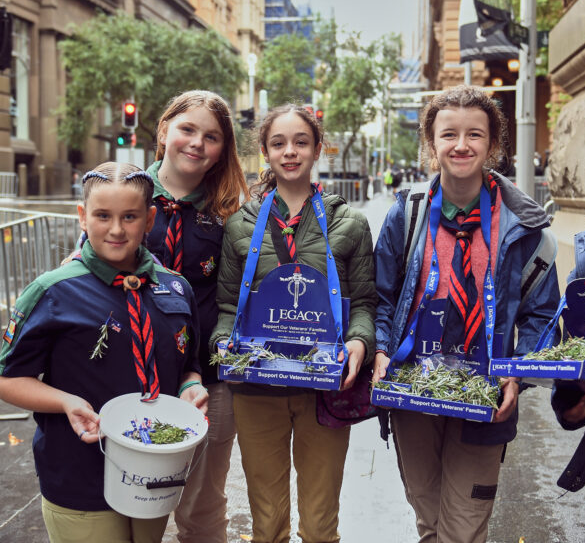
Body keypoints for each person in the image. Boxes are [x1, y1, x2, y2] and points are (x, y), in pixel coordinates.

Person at [373, 85, 561, 543]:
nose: (461, 145)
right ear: (431, 144)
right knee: (429, 521)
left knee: (463, 527)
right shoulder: (408, 214)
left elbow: (542, 317)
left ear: (492, 144)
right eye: (448, 134)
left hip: (485, 397)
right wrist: (380, 349)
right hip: (415, 389)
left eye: (474, 134)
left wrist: (515, 374)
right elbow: (381, 296)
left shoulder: (526, 229)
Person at [0, 162, 208, 543]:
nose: (116, 229)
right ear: (82, 217)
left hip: (154, 474)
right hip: (78, 473)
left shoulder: (177, 288)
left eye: (129, 216)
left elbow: (188, 365)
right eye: (102, 215)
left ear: (148, 220)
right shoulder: (54, 291)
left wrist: (189, 389)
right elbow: (7, 379)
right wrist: (65, 401)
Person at [210, 103, 377, 543]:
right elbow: (228, 308)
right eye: (279, 143)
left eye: (301, 142)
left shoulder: (350, 223)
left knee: (321, 527)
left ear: (318, 148)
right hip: (257, 390)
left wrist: (359, 343)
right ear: (264, 151)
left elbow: (363, 303)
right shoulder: (239, 227)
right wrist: (224, 342)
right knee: (266, 526)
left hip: (323, 389)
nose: (290, 152)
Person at [145, 90, 248, 543]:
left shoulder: (232, 214)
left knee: (203, 505)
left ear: (222, 149)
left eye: (211, 137)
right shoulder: (124, 193)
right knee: (135, 501)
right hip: (133, 372)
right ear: (165, 129)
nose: (197, 143)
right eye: (188, 129)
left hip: (209, 377)